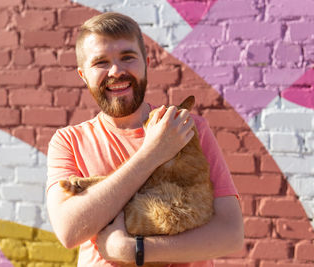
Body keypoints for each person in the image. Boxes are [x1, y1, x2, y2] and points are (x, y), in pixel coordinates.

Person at [46, 12, 244, 267]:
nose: (116, 71)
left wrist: (134, 250)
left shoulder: (186, 127)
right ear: (83, 75)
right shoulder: (68, 141)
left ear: (146, 63)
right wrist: (152, 153)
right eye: (100, 62)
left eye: (127, 57)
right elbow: (69, 230)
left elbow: (230, 235)